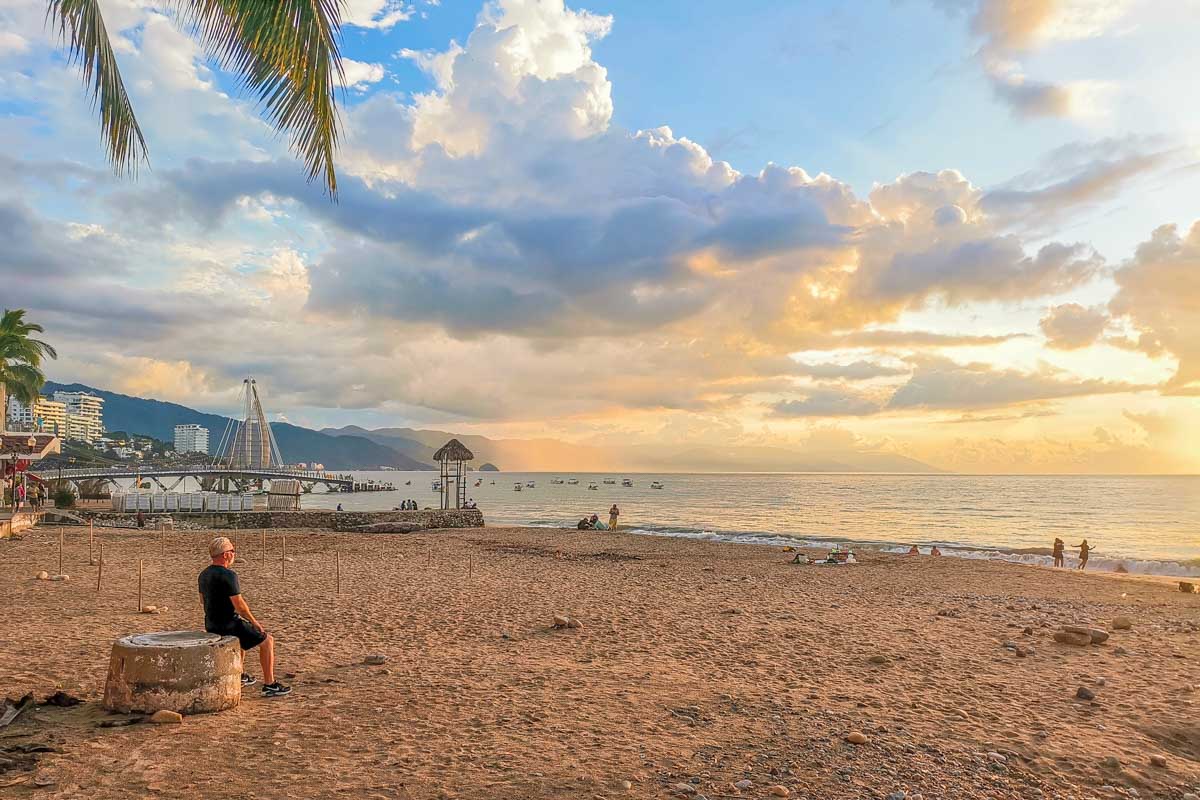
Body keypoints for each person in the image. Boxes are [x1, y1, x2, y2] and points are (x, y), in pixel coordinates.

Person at [199, 537, 291, 697]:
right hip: (228, 623)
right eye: (232, 551)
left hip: (211, 623)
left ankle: (240, 674)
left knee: (241, 640)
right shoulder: (229, 575)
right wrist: (255, 623)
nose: (234, 554)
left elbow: (202, 600)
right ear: (226, 555)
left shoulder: (203, 574)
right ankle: (270, 684)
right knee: (267, 641)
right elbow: (240, 605)